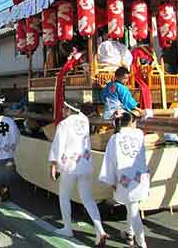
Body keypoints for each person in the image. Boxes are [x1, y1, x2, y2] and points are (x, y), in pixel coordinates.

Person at [48, 101, 108, 246]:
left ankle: (68, 228)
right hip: (85, 164)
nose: (62, 110)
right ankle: (100, 230)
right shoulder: (84, 120)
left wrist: (53, 164)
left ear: (69, 109)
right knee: (88, 199)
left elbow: (58, 145)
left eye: (64, 108)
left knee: (64, 197)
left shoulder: (64, 124)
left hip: (69, 165)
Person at [99, 112, 149, 248]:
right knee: (132, 207)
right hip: (140, 176)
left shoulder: (115, 139)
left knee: (133, 210)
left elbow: (110, 161)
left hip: (124, 179)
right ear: (131, 122)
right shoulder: (139, 134)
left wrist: (112, 181)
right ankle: (130, 234)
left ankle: (142, 243)